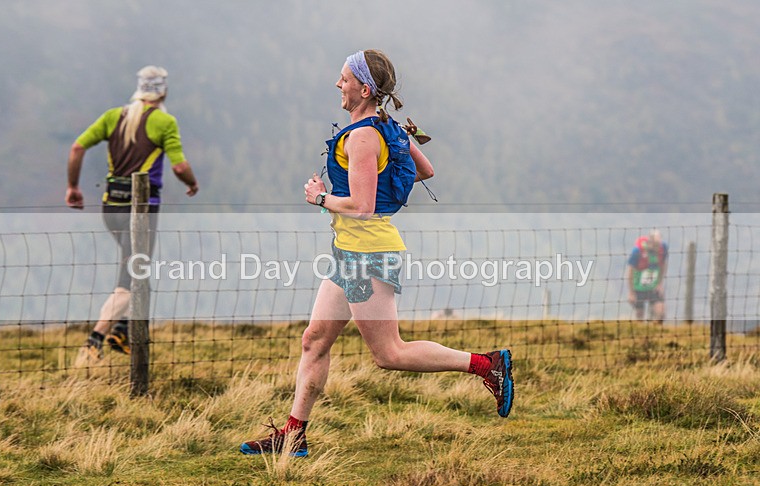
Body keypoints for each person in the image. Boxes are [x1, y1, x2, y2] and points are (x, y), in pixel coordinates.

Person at [240, 50, 514, 457]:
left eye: (345, 78)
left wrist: (320, 198)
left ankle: (487, 364)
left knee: (389, 354)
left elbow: (363, 206)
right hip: (349, 252)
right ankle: (293, 437)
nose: (338, 84)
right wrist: (397, 145)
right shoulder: (384, 129)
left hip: (368, 254)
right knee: (314, 340)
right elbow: (426, 171)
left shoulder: (364, 137)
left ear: (365, 89)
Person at [66, 65, 199, 367]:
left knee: (136, 270)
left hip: (110, 206)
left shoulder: (114, 116)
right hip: (141, 212)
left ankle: (123, 331)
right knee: (130, 278)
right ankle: (94, 342)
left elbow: (77, 147)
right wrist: (192, 183)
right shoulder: (164, 122)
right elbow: (179, 166)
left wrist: (73, 187)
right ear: (163, 90)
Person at [627, 230, 668, 322]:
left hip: (653, 287)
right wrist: (631, 292)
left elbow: (663, 265)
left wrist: (660, 284)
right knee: (640, 316)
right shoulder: (637, 251)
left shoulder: (663, 249)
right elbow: (630, 272)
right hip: (638, 288)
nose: (657, 247)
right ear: (650, 242)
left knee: (661, 313)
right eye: (655, 245)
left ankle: (657, 333)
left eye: (659, 244)